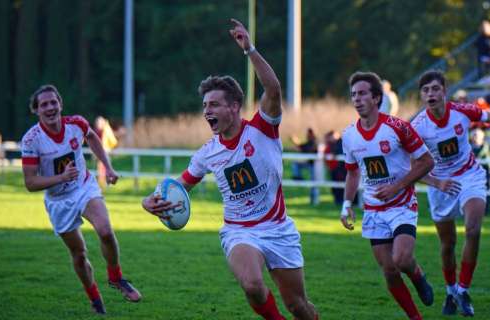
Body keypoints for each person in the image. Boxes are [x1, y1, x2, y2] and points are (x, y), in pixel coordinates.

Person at [142, 19, 319, 320]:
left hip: (278, 229)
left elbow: (273, 89)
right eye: (205, 106)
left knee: (298, 306)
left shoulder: (262, 129)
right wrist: (150, 200)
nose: (206, 111)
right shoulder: (207, 154)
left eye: (213, 104)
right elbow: (181, 184)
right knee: (252, 285)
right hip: (239, 231)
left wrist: (249, 49)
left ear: (234, 107)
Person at [20, 85, 141, 315]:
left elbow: (93, 138)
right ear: (36, 110)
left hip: (83, 187)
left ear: (60, 104)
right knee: (79, 253)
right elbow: (30, 183)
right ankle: (94, 298)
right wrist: (61, 177)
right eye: (44, 104)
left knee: (105, 230)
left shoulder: (76, 124)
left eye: (53, 102)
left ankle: (116, 277)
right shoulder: (31, 140)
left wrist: (109, 167)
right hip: (58, 201)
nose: (50, 107)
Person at [340, 71, 435, 320]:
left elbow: (426, 162)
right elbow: (352, 174)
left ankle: (418, 275)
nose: (357, 99)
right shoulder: (349, 135)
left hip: (402, 204)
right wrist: (346, 204)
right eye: (353, 95)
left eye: (362, 94)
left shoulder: (398, 127)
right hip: (373, 210)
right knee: (389, 271)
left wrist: (397, 187)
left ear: (376, 98)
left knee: (402, 260)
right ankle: (416, 317)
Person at [411, 70, 490, 316]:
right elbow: (410, 167)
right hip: (440, 184)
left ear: (444, 92)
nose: (431, 94)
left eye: (435, 89)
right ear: (422, 95)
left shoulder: (462, 112)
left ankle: (463, 289)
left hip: (469, 175)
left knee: (473, 229)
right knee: (447, 243)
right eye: (426, 90)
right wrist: (436, 183)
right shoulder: (418, 127)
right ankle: (450, 292)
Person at [290, 128, 319, 205]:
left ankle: (314, 201)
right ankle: (298, 177)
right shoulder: (309, 142)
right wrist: (295, 141)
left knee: (314, 184)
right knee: (295, 164)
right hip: (309, 164)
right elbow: (301, 146)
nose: (308, 135)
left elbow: (305, 148)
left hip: (314, 165)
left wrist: (297, 144)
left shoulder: (315, 142)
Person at [470, 128, 490, 215]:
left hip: (487, 172)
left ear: (482, 137)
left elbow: (479, 157)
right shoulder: (470, 146)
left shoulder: (484, 146)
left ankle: (486, 212)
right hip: (474, 174)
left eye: (477, 136)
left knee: (487, 191)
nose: (475, 137)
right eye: (474, 135)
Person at [94, 116, 119, 189]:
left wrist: (108, 149)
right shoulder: (102, 129)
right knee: (102, 167)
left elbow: (112, 141)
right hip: (102, 151)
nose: (97, 125)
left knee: (105, 167)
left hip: (105, 151)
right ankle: (102, 184)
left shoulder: (106, 129)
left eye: (98, 123)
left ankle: (105, 183)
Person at [324, 130, 345, 205]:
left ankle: (342, 200)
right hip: (336, 168)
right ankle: (338, 200)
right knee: (336, 185)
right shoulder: (331, 144)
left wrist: (335, 153)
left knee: (342, 184)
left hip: (342, 168)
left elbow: (341, 151)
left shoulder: (341, 142)